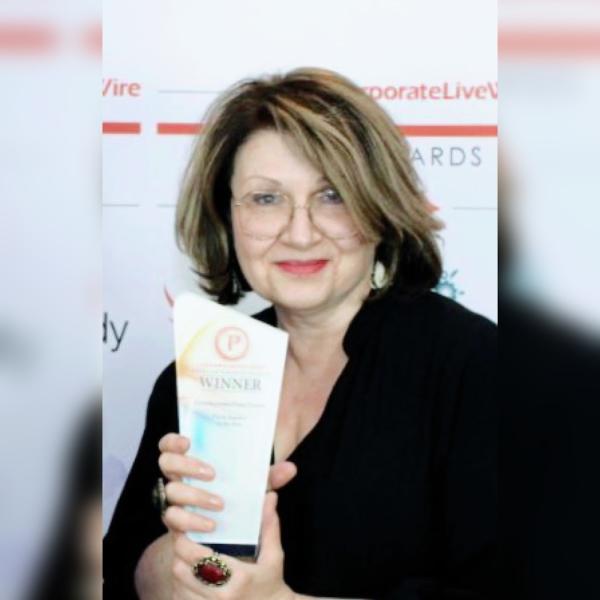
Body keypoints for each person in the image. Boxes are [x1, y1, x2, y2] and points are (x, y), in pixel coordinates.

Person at [104, 67, 497, 599]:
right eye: (266, 199)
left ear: (380, 208)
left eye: (332, 195)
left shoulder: (475, 367)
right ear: (226, 215)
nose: (300, 231)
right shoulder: (194, 374)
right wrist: (188, 549)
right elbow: (125, 573)